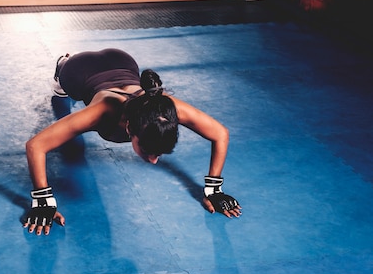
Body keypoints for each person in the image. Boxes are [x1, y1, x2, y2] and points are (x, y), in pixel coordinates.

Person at [23, 48, 241, 236]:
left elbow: (220, 133)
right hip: (79, 71)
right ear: (128, 128)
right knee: (72, 147)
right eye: (148, 152)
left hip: (123, 62)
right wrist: (43, 201)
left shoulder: (164, 107)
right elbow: (36, 145)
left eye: (158, 154)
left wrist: (214, 190)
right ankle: (63, 63)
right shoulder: (101, 112)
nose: (154, 161)